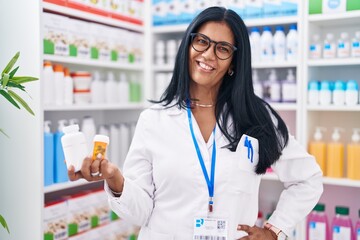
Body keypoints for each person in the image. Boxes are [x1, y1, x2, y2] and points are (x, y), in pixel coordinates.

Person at [68, 6, 323, 240]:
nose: (208, 54)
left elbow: (308, 179)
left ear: (234, 62)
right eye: (201, 42)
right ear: (188, 46)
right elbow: (140, 212)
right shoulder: (154, 120)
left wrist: (274, 230)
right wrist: (115, 180)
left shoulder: (256, 117)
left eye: (222, 48)